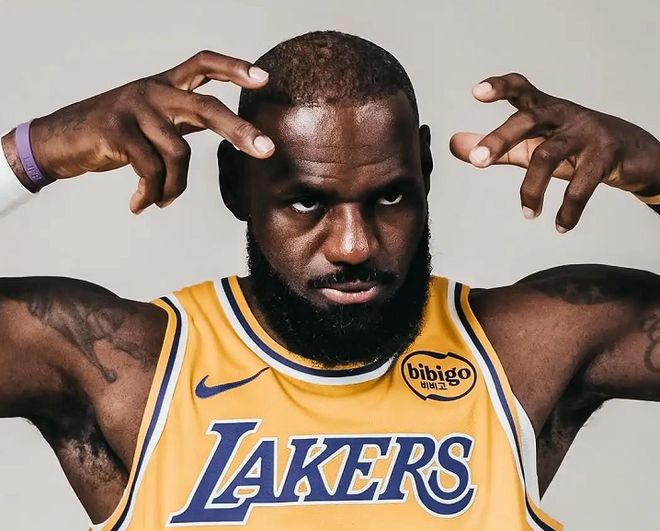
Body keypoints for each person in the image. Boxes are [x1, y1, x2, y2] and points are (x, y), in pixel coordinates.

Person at [1, 30, 659, 531]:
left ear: (426, 172)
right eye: (307, 202)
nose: (354, 245)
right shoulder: (124, 365)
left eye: (390, 197)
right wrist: (35, 151)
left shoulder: (528, 347)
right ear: (236, 186)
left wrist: (657, 174)